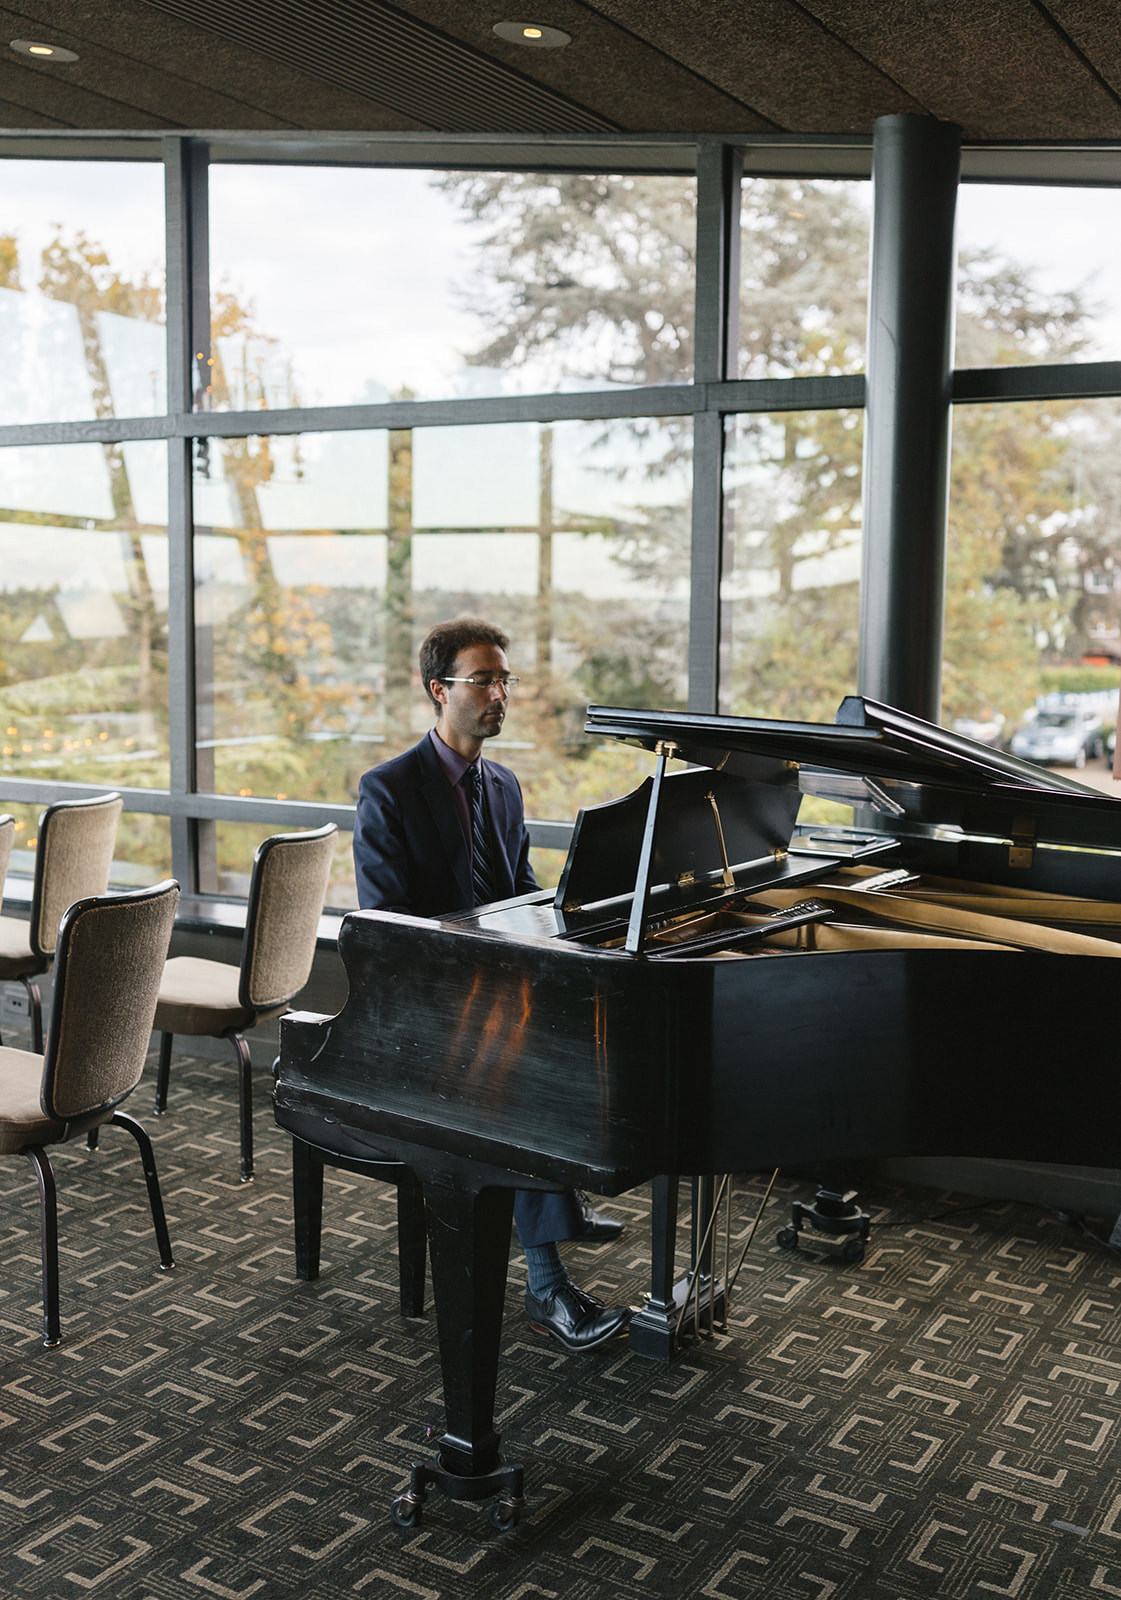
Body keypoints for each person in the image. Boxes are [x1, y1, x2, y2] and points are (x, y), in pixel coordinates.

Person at [353, 616, 632, 1352]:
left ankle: (557, 1196)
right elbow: (388, 930)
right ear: (438, 690)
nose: (499, 694)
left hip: (496, 995)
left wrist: (573, 922)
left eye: (505, 681)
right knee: (518, 1076)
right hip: (422, 1009)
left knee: (585, 1029)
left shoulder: (503, 786)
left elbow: (522, 893)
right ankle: (548, 1288)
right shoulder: (388, 789)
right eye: (483, 680)